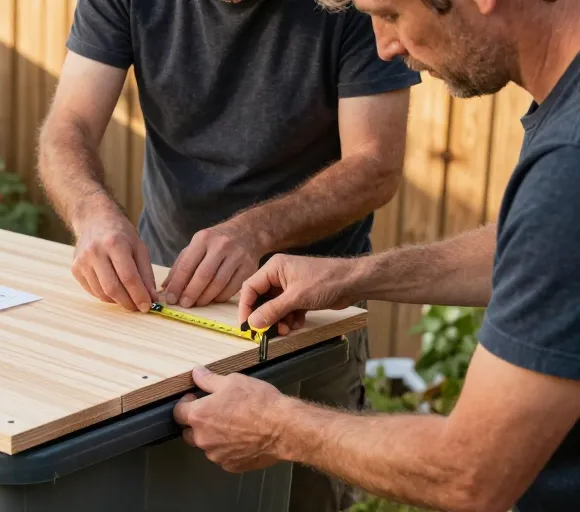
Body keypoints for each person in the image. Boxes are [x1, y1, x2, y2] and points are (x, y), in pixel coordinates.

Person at [171, 0, 580, 507]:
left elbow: (471, 473)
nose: (385, 46)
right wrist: (355, 275)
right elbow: (531, 246)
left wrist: (276, 427)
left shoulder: (569, 165)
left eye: (389, 13)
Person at [38, 0, 419, 509]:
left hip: (307, 317)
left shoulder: (352, 4)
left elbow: (375, 164)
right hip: (164, 302)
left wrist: (254, 231)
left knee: (299, 499)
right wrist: (91, 212)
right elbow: (67, 127)